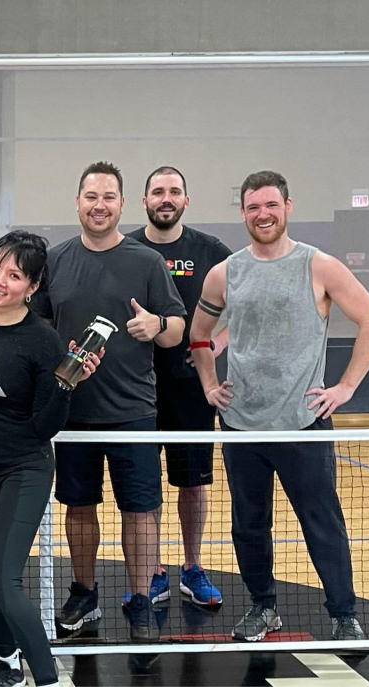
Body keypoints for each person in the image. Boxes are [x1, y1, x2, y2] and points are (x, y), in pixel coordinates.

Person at [191, 170, 369, 642]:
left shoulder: (320, 267)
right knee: (249, 527)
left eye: (271, 205)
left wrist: (345, 388)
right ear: (243, 212)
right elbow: (199, 335)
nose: (263, 214)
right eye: (254, 206)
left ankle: (343, 614)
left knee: (323, 525)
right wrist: (209, 383)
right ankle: (263, 608)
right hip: (241, 427)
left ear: (288, 206)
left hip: (303, 424)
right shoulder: (225, 272)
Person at [33, 161, 186, 641]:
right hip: (72, 414)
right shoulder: (55, 260)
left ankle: (141, 598)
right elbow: (35, 330)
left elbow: (177, 326)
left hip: (133, 413)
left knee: (139, 511)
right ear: (77, 203)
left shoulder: (146, 262)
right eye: (91, 196)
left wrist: (156, 326)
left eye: (108, 197)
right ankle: (84, 592)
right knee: (78, 508)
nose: (99, 205)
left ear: (122, 204)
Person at [0, 231, 101, 687]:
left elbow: (45, 426)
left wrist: (65, 385)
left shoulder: (42, 339)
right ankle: (9, 661)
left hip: (24, 468)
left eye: (14, 275)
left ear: (32, 287)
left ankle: (49, 679)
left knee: (4, 581)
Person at [124, 166, 231, 608]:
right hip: (136, 390)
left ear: (186, 200)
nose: (165, 198)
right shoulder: (127, 248)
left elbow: (247, 303)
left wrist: (215, 344)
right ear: (144, 201)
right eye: (157, 191)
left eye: (174, 191)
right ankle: (151, 571)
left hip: (190, 389)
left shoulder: (210, 250)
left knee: (192, 483)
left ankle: (191, 565)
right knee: (145, 486)